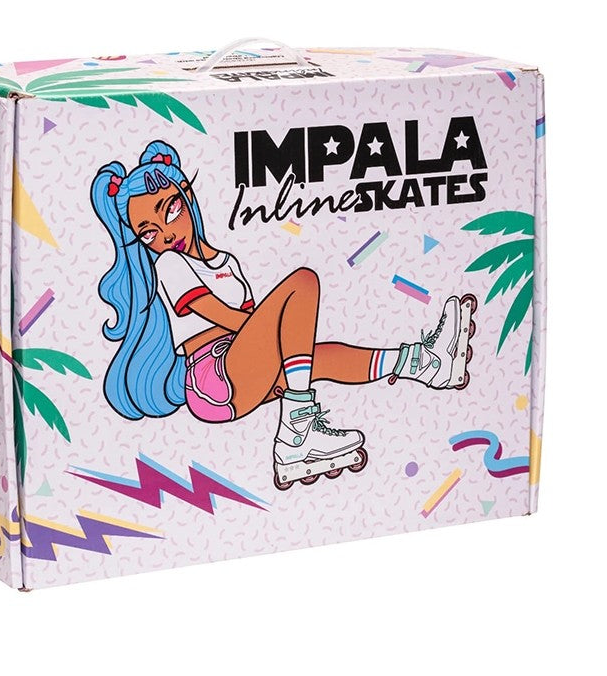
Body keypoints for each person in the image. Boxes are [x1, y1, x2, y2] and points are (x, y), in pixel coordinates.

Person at [91, 140, 476, 489]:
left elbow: (254, 328)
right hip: (212, 375)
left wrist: (289, 345)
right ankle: (297, 431)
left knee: (322, 357)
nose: (165, 234)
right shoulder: (170, 264)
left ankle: (425, 364)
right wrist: (283, 330)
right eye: (148, 233)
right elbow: (222, 316)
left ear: (187, 195)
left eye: (171, 211)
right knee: (302, 284)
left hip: (242, 367)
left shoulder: (226, 262)